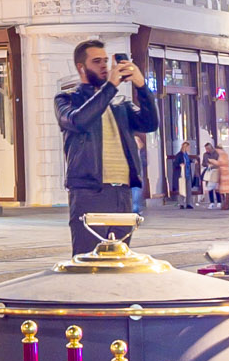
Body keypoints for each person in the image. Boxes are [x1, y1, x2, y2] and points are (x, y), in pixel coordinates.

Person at [54, 40, 158, 258]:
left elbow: (150, 123)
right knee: (88, 260)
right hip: (89, 192)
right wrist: (110, 87)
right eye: (96, 61)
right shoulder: (67, 99)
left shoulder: (120, 105)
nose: (104, 65)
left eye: (105, 61)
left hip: (122, 193)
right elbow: (79, 120)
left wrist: (141, 86)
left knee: (121, 260)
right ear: (81, 67)